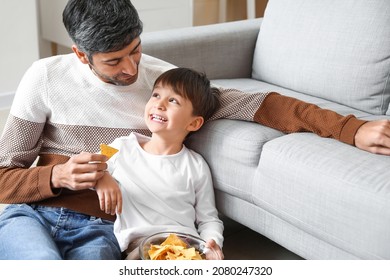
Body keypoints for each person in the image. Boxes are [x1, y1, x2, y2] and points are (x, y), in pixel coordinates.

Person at [0, 0, 390, 259]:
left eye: (135, 49)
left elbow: (264, 105)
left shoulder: (165, 86)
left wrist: (350, 129)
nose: (132, 69)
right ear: (81, 55)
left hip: (105, 228)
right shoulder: (45, 78)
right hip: (31, 213)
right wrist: (55, 175)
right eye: (114, 61)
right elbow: (3, 176)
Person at [94, 67, 224, 260]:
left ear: (194, 123)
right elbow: (90, 163)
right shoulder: (120, 146)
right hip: (140, 249)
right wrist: (102, 176)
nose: (160, 104)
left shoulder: (196, 165)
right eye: (156, 95)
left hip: (185, 248)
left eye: (173, 100)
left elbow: (209, 218)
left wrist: (212, 244)